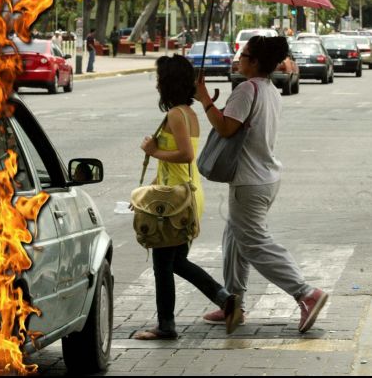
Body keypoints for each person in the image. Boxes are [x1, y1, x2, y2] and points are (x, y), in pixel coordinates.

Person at [195, 36, 327, 333]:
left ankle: (306, 293)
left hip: (249, 181)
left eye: (243, 55)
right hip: (264, 177)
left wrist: (203, 97)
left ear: (254, 62)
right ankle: (233, 304)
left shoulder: (246, 89)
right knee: (234, 238)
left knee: (254, 242)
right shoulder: (269, 89)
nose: (239, 59)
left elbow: (227, 128)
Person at [133, 55, 243, 340]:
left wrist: (152, 151)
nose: (157, 85)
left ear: (169, 83)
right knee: (176, 261)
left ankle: (167, 325)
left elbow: (186, 155)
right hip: (185, 193)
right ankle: (225, 300)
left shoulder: (176, 115)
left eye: (160, 79)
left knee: (162, 263)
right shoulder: (187, 113)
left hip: (177, 199)